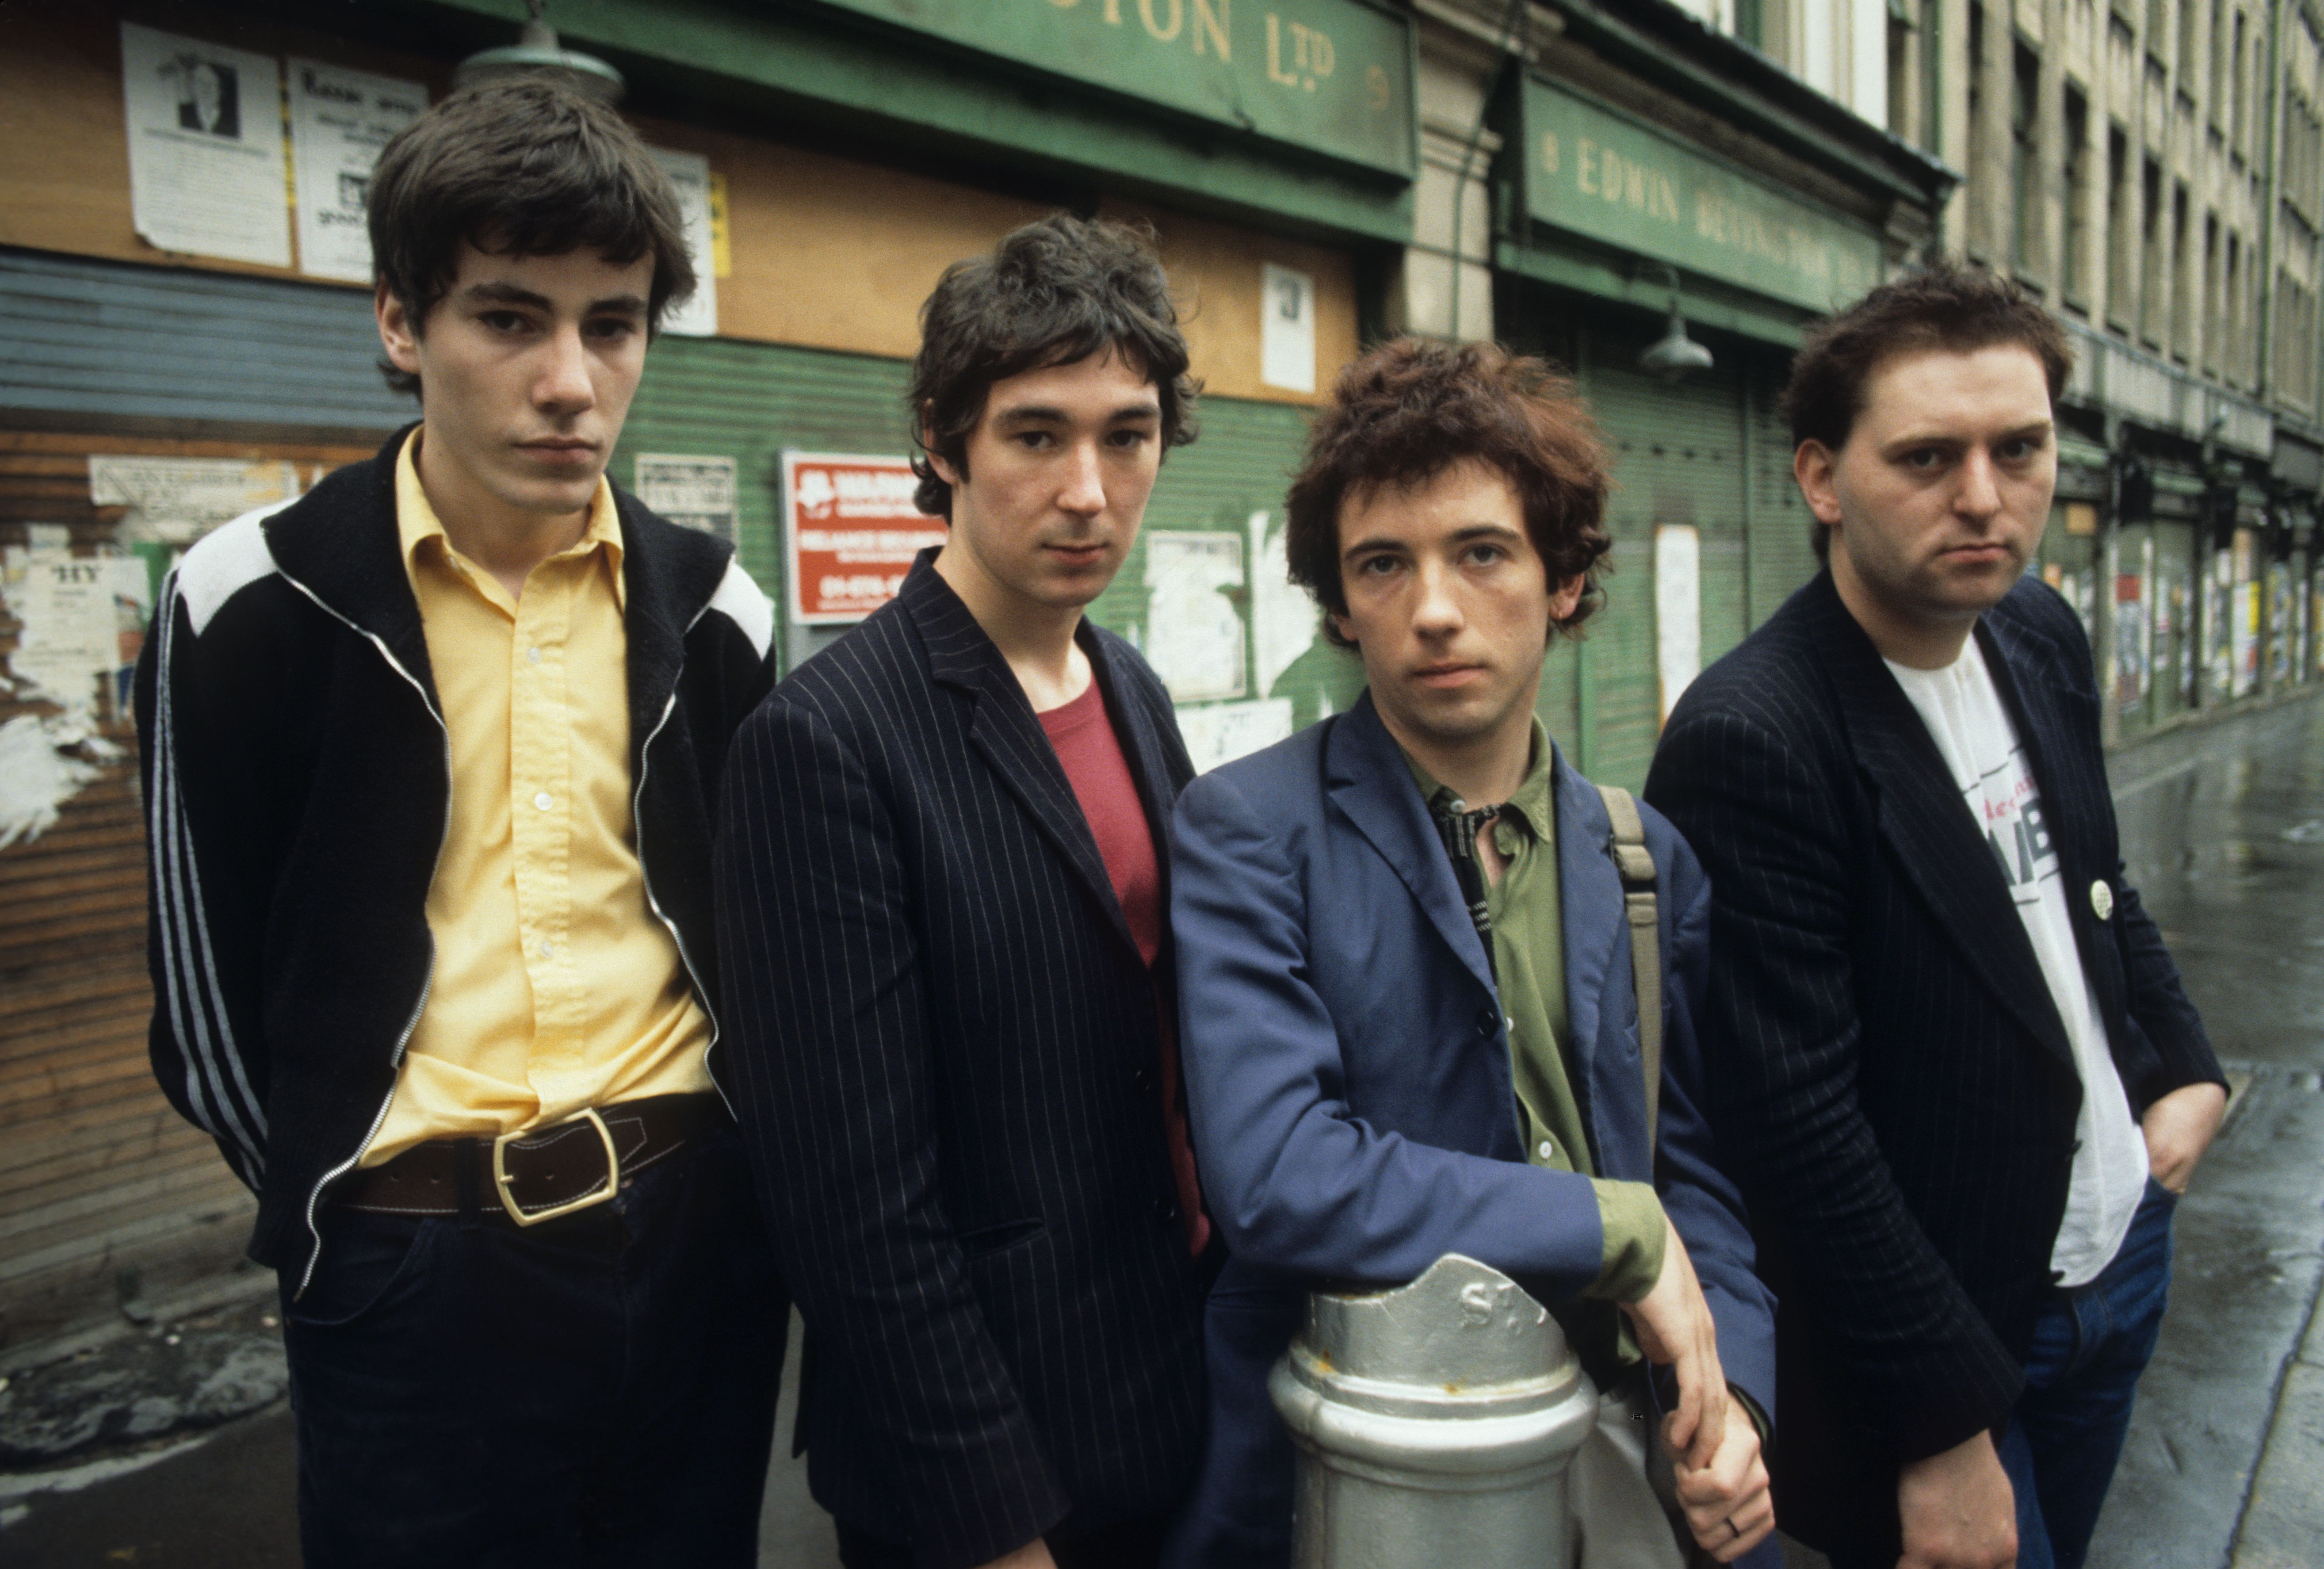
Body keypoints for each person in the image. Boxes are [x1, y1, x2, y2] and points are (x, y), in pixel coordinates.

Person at [134, 79, 783, 1565]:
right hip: (410, 1268)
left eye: (610, 324)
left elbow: (756, 931)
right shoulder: (250, 600)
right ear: (399, 325)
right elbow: (207, 1000)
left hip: (693, 1241)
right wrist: (344, 1201)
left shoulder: (714, 606)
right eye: (509, 317)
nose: (570, 379)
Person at [1645, 264, 2226, 1569]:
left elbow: (2093, 881)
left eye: (2018, 449)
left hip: (2115, 1258)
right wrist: (1944, 1424)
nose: (1982, 495)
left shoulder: (2033, 630)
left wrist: (2183, 1066)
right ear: (1820, 478)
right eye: (1926, 455)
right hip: (1956, 1329)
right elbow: (1799, 1125)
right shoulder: (1757, 736)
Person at [1163, 337, 1778, 1569]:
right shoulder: (1251, 831)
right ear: (1340, 602)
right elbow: (1281, 1171)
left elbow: (1697, 1164)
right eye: (1383, 564)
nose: (1434, 608)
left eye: (1482, 552)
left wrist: (1736, 1405)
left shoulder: (1641, 852)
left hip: (1626, 1449)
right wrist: (1613, 1228)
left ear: (1562, 577)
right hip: (1377, 1462)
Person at [715, 214, 1212, 1569]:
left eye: (1128, 434)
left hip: (1167, 1400)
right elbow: (851, 1206)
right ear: (942, 442)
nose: (1088, 489)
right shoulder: (826, 742)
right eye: (1036, 434)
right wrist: (994, 1520)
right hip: (986, 1460)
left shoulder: (1130, 686)